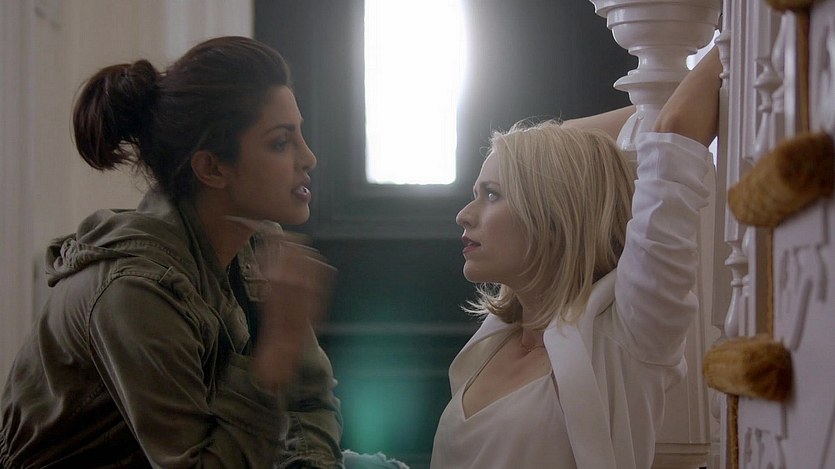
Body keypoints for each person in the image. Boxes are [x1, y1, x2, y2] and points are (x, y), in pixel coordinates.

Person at [0, 36, 346, 468]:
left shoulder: (257, 245)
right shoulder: (135, 290)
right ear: (212, 168)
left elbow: (309, 403)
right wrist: (275, 358)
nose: (308, 157)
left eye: (300, 135)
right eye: (280, 143)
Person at [431, 46, 722, 468]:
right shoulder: (499, 336)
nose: (464, 215)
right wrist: (531, 152)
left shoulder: (626, 330)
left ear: (554, 214)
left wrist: (736, 35)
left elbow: (673, 131)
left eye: (491, 195)